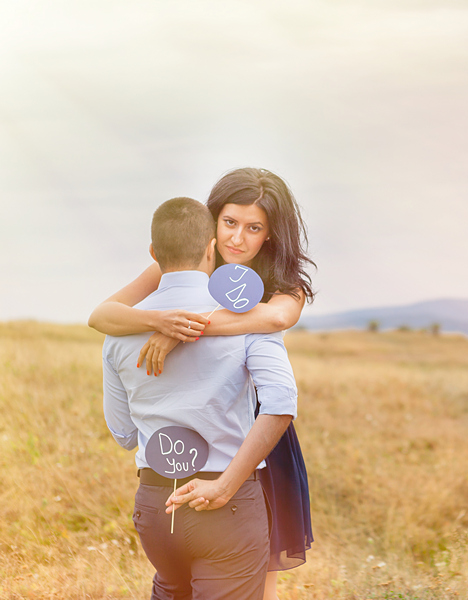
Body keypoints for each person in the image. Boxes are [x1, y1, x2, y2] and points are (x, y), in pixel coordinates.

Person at [89, 168, 315, 600]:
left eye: (254, 229)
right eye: (229, 223)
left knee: (259, 569)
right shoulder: (179, 264)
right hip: (195, 445)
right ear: (213, 223)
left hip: (258, 437)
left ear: (270, 235)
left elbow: (276, 318)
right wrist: (160, 319)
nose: (237, 238)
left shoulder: (283, 283)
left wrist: (183, 329)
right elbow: (102, 315)